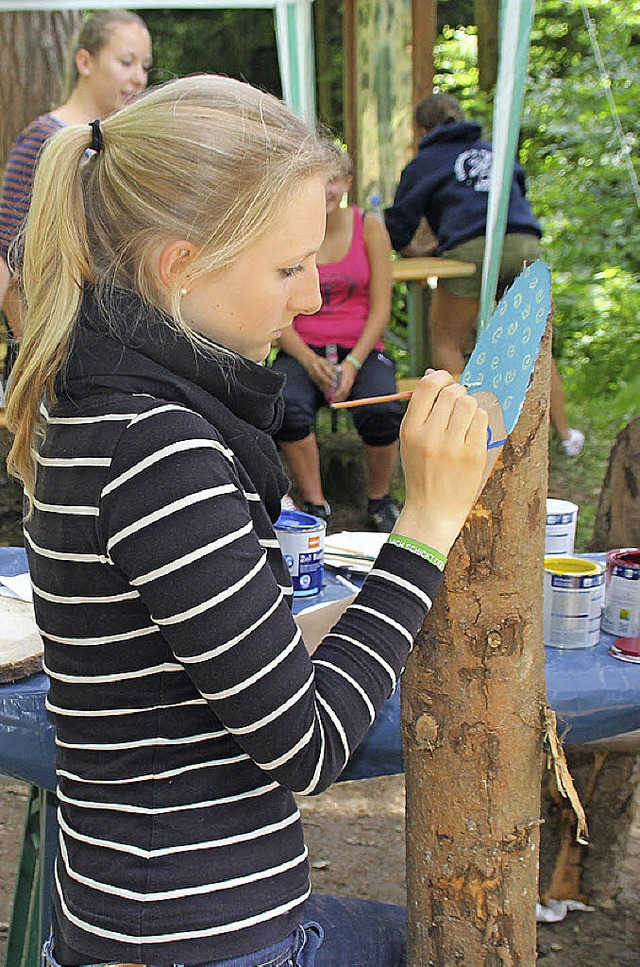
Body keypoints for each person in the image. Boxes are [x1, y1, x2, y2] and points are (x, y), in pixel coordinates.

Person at [6, 75, 488, 965]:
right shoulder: (161, 448)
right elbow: (308, 748)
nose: (311, 297)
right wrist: (426, 521)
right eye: (286, 265)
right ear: (178, 262)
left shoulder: (101, 405)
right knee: (458, 945)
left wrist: (340, 609)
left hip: (134, 913)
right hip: (201, 934)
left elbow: (182, 649)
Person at [385, 93, 585, 457]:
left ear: (422, 128)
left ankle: (478, 437)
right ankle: (565, 434)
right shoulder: (495, 149)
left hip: (470, 250)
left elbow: (400, 221)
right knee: (534, 345)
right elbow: (518, 188)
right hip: (525, 242)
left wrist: (410, 246)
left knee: (446, 340)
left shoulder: (427, 161)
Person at [0, 8, 152, 362]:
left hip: (112, 350)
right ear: (85, 61)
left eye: (144, 66)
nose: (138, 78)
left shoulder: (121, 148)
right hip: (57, 356)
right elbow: (9, 262)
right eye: (126, 62)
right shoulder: (40, 141)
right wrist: (44, 364)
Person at [273, 145, 402, 531]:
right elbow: (276, 308)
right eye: (317, 179)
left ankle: (380, 499)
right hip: (301, 347)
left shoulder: (370, 226)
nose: (326, 190)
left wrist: (353, 363)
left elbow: (381, 307)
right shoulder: (285, 227)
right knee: (288, 407)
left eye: (334, 179)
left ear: (347, 183)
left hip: (360, 348)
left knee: (382, 409)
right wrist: (310, 361)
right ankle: (315, 504)